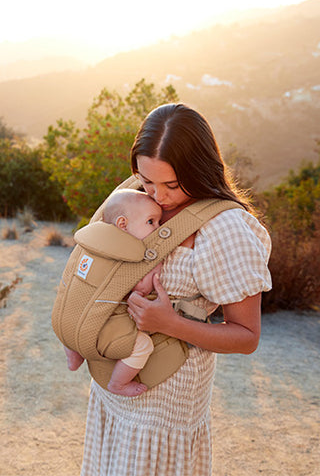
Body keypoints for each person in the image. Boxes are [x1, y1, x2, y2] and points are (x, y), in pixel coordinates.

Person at [80, 103, 272, 476]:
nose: (158, 196)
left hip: (165, 406)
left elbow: (247, 337)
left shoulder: (225, 228)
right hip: (113, 388)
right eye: (147, 179)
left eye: (171, 184)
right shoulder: (134, 195)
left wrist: (168, 323)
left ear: (200, 169)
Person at [64, 188, 164, 397]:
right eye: (151, 221)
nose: (158, 227)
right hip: (100, 326)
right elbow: (142, 288)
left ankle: (73, 356)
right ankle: (118, 383)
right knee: (143, 346)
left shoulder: (93, 243)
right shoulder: (131, 254)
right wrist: (156, 267)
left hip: (68, 320)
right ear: (122, 224)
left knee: (70, 322)